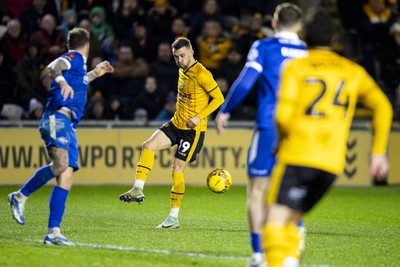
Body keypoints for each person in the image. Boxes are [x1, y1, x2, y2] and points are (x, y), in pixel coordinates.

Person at [262, 8, 392, 267]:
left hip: (298, 154)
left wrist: (280, 142)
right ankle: (288, 260)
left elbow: (281, 116)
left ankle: (281, 260)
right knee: (290, 218)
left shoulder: (295, 67)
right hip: (331, 163)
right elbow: (383, 107)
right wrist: (378, 152)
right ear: (335, 41)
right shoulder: (352, 70)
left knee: (273, 221)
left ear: (305, 38)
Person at [214, 3, 306, 267]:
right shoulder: (306, 53)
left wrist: (225, 110)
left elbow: (246, 80)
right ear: (299, 26)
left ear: (274, 23)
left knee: (257, 189)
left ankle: (259, 256)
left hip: (270, 126)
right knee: (290, 190)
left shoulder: (264, 47)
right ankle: (289, 253)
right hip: (298, 131)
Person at [7, 27, 114, 246]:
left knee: (66, 175)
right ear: (87, 45)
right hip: (57, 118)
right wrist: (61, 82)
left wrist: (95, 73)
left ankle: (53, 232)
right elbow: (53, 67)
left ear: (68, 43)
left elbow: (80, 81)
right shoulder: (74, 57)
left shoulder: (78, 68)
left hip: (67, 124)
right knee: (61, 164)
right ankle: (20, 195)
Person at [119, 37, 224, 229]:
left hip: (193, 131)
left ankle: (173, 217)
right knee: (148, 146)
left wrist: (199, 117)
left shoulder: (202, 73)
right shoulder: (182, 70)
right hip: (176, 124)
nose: (180, 60)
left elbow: (218, 98)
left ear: (192, 52)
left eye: (183, 56)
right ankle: (137, 189)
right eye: (176, 57)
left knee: (177, 169)